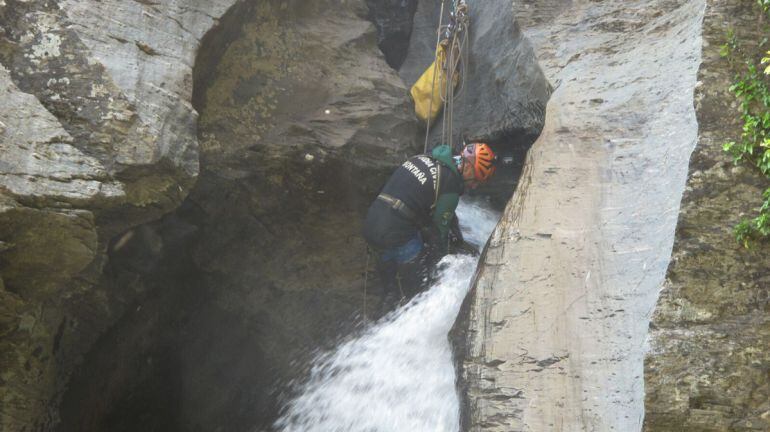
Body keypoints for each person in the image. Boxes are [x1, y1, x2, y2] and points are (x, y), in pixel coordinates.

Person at [363, 142, 497, 310]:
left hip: (371, 222)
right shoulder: (450, 186)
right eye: (476, 179)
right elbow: (439, 233)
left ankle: (387, 300)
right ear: (468, 167)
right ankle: (415, 307)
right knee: (420, 287)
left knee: (390, 289)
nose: (474, 186)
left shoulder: (425, 157)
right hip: (395, 234)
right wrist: (440, 265)